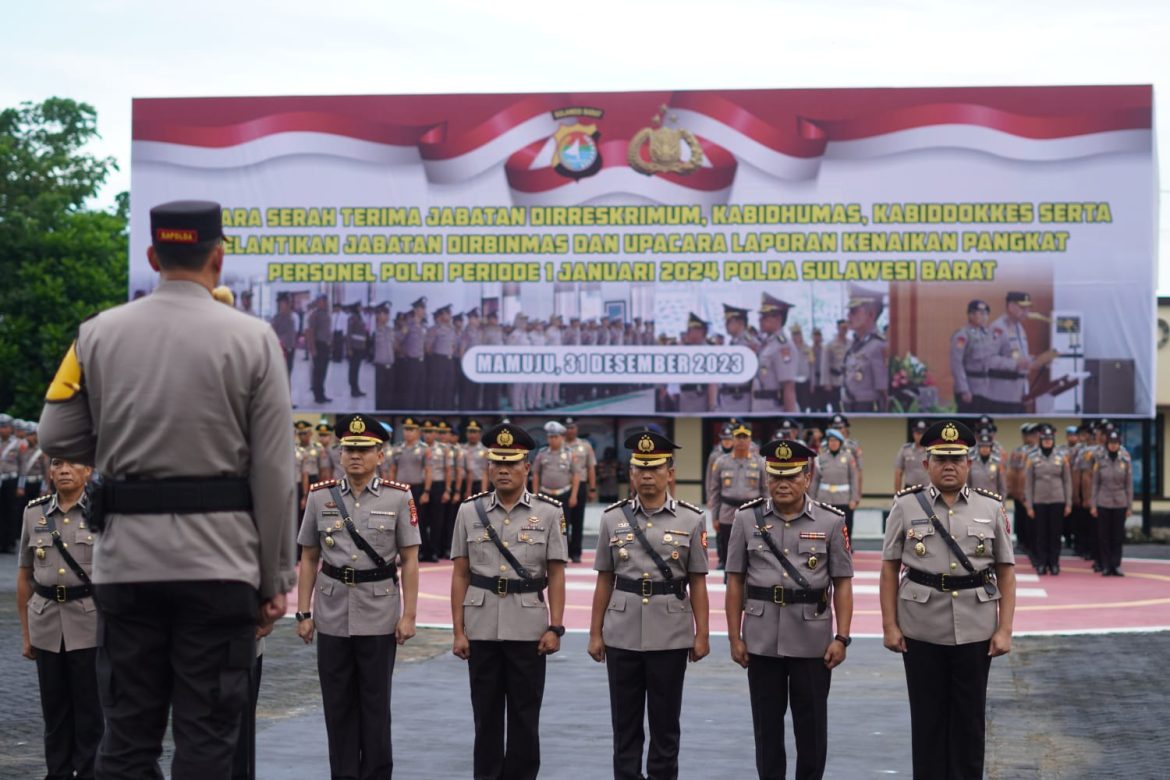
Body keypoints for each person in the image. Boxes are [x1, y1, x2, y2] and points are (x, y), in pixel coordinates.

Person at [38, 200, 297, 778]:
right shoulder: (254, 339)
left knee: (127, 739)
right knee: (207, 740)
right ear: (219, 257)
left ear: (153, 256)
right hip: (221, 564)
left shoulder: (99, 332)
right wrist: (275, 578)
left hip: (127, 564)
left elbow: (56, 434)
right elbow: (276, 471)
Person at [880, 420, 1016, 780]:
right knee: (927, 719)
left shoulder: (991, 509)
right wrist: (890, 625)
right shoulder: (906, 507)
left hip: (976, 629)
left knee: (970, 720)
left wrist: (1005, 629)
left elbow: (1005, 570)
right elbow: (889, 568)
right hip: (921, 627)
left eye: (957, 458)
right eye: (941, 458)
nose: (949, 465)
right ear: (926, 464)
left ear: (969, 462)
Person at [296, 413, 420, 780]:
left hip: (379, 612)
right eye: (349, 449)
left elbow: (410, 560)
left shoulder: (399, 497)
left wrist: (409, 615)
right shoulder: (320, 497)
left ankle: (377, 774)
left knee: (375, 702)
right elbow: (308, 557)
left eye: (364, 450)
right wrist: (304, 613)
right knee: (337, 704)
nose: (355, 456)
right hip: (332, 611)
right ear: (339, 453)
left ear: (380, 455)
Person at [726, 439, 854, 780]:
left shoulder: (830, 521)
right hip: (761, 638)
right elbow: (735, 580)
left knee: (811, 729)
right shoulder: (744, 519)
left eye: (791, 476)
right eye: (775, 476)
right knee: (766, 729)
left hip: (812, 640)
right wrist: (734, 637)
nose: (783, 483)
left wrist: (841, 637)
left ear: (807, 478)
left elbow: (842, 582)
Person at [587, 430, 710, 780]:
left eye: (654, 468)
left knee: (665, 724)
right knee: (624, 726)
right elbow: (604, 579)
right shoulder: (612, 518)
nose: (646, 475)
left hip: (670, 634)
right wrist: (595, 633)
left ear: (669, 472)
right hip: (622, 633)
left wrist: (702, 634)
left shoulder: (691, 519)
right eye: (639, 468)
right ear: (630, 473)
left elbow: (698, 582)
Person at [450, 423, 567, 780]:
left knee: (524, 716)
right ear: (488, 467)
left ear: (527, 467)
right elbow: (460, 574)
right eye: (496, 462)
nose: (503, 469)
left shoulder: (549, 513)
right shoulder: (469, 512)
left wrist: (555, 627)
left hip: (528, 628)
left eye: (511, 462)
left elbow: (556, 573)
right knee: (485, 716)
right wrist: (458, 631)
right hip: (482, 625)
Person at [17, 459, 103, 780]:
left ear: (88, 472)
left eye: (73, 464)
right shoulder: (33, 513)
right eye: (57, 464)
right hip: (46, 624)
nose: (64, 470)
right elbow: (25, 576)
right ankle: (59, 773)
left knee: (90, 712)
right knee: (55, 713)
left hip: (89, 625)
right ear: (50, 472)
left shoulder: (99, 512)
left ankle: (91, 773)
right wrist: (27, 635)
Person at [707, 421, 767, 571]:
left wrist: (765, 515)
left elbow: (765, 491)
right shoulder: (721, 462)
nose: (741, 441)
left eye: (745, 437)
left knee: (753, 548)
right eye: (738, 437)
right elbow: (715, 491)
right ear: (732, 439)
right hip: (727, 512)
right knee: (728, 549)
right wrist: (714, 516)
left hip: (752, 512)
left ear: (750, 439)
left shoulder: (759, 462)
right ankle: (729, 580)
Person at [1023, 425, 1071, 575]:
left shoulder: (1061, 457)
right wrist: (1029, 505)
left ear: (1053, 441)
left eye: (1050, 439)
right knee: (1041, 534)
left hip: (1057, 500)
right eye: (1045, 440)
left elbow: (1067, 481)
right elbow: (1028, 483)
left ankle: (1054, 563)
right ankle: (1042, 563)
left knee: (1055, 534)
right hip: (1040, 501)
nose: (1047, 442)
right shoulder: (1032, 458)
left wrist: (1068, 503)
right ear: (1041, 441)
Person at [1089, 429, 1132, 576]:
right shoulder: (1100, 461)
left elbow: (1129, 485)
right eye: (1111, 443)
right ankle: (1106, 565)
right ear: (1107, 444)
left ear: (1119, 444)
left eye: (1116, 443)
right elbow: (1095, 484)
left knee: (1117, 536)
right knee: (1104, 536)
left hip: (1120, 502)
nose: (1113, 446)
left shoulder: (1125, 461)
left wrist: (1129, 506)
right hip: (1103, 501)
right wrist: (1093, 504)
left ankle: (1116, 565)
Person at [985, 292, 1037, 413]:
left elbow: (1018, 357)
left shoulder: (1020, 328)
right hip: (1002, 397)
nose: (1026, 311)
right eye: (1022, 308)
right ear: (1011, 307)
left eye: (1028, 308)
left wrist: (1033, 361)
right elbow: (988, 359)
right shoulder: (997, 328)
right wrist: (1015, 364)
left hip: (1019, 396)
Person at [842, 284, 888, 413]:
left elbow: (884, 392)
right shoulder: (855, 344)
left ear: (871, 314)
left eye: (854, 311)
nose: (848, 315)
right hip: (850, 408)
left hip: (867, 411)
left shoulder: (878, 346)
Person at [752, 294, 798, 413]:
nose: (760, 320)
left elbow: (788, 386)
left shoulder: (783, 346)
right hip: (761, 408)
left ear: (778, 318)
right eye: (761, 316)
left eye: (765, 317)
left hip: (775, 409)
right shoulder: (766, 344)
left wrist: (789, 419)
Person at [811, 429, 860, 540]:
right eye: (831, 440)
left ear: (840, 443)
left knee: (845, 529)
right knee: (824, 528)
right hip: (824, 500)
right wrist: (812, 499)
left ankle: (846, 551)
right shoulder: (821, 458)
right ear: (827, 443)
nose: (833, 443)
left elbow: (854, 478)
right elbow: (815, 480)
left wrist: (854, 499)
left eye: (835, 441)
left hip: (843, 500)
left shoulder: (848, 457)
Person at [949, 300, 995, 413]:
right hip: (970, 387)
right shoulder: (962, 336)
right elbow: (956, 364)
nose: (984, 317)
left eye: (986, 313)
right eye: (981, 313)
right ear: (971, 315)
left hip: (986, 388)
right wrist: (963, 389)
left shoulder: (988, 334)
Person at [564, 418, 597, 563]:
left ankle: (576, 552)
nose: (570, 430)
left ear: (576, 429)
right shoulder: (558, 445)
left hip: (581, 485)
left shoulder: (585, 446)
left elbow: (591, 468)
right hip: (562, 487)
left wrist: (592, 488)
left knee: (578, 521)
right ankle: (563, 551)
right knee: (562, 522)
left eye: (572, 427)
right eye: (567, 427)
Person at [532, 421, 579, 515]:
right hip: (545, 494)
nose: (553, 440)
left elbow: (576, 475)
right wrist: (535, 494)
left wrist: (573, 496)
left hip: (564, 494)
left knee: (563, 525)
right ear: (547, 438)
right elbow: (536, 474)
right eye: (550, 437)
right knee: (545, 524)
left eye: (556, 437)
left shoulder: (569, 453)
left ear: (562, 438)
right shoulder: (542, 453)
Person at [718, 304, 756, 413]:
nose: (726, 325)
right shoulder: (732, 343)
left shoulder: (749, 344)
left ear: (741, 323)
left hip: (741, 399)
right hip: (727, 400)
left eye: (729, 321)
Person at [1, 412, 29, 552]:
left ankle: (10, 542)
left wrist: (21, 486)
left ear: (11, 428)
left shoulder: (18, 444)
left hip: (11, 480)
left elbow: (23, 467)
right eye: (1, 427)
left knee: (10, 511)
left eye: (5, 427)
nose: (3, 430)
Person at [308, 294, 333, 404]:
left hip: (326, 346)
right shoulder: (315, 315)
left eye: (326, 301)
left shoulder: (326, 314)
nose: (325, 303)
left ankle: (322, 394)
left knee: (323, 371)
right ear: (319, 302)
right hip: (318, 345)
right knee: (318, 371)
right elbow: (311, 332)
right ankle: (317, 395)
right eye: (323, 301)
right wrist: (313, 348)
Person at [893, 420, 930, 491]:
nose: (920, 436)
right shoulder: (905, 449)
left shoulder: (931, 451)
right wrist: (897, 494)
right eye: (918, 433)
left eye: (923, 433)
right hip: (909, 488)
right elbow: (898, 473)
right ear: (913, 433)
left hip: (927, 488)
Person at [372, 302, 395, 410]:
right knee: (379, 395)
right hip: (379, 367)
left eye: (387, 314)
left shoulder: (390, 330)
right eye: (384, 314)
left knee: (389, 395)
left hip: (390, 367)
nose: (387, 316)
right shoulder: (374, 330)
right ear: (377, 315)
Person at [968, 433, 1007, 497]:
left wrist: (1002, 504)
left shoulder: (998, 463)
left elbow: (1002, 488)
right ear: (978, 448)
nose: (984, 449)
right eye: (982, 446)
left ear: (991, 448)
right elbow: (967, 484)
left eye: (987, 446)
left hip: (992, 501)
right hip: (975, 500)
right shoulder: (971, 463)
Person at [270, 292, 298, 378]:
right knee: (281, 374)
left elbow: (295, 332)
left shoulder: (294, 316)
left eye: (284, 303)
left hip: (291, 348)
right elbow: (272, 335)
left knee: (288, 371)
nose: (281, 306)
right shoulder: (277, 318)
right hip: (281, 350)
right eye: (280, 304)